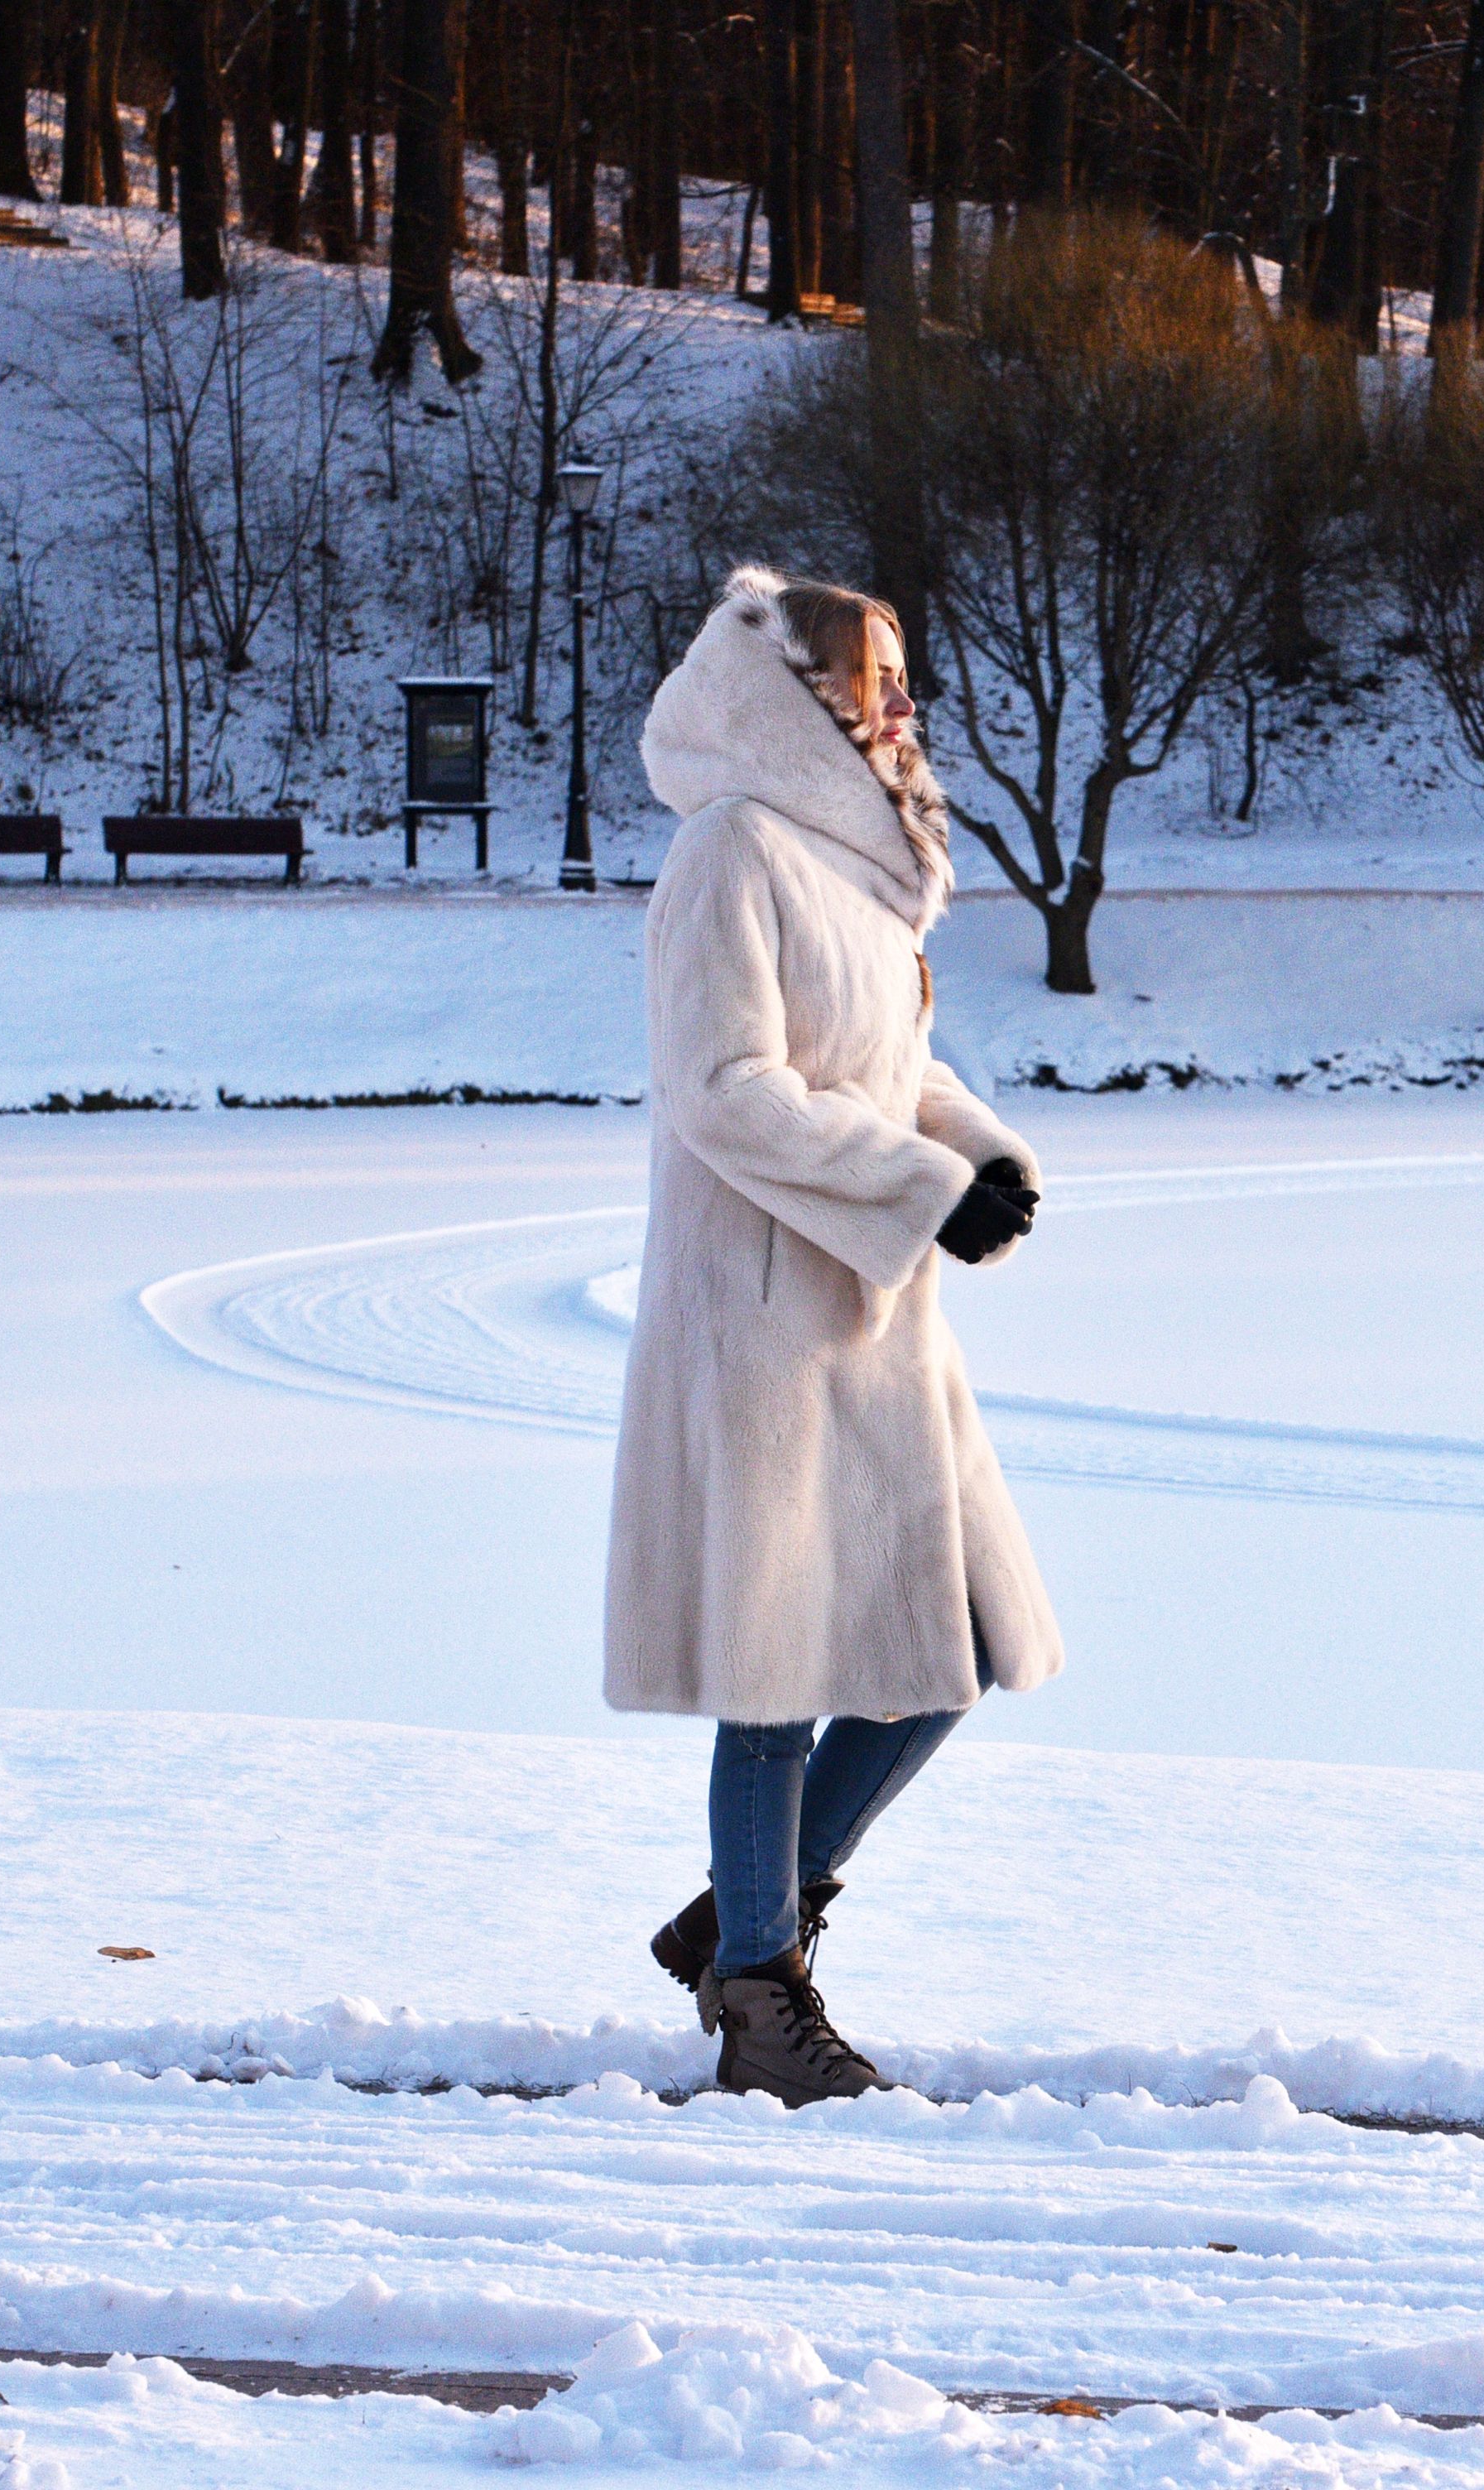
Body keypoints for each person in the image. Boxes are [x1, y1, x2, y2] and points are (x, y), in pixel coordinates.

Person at [608, 565, 1067, 2108]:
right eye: (868, 676)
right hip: (763, 1318)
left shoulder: (857, 871)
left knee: (951, 1654)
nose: (895, 702)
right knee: (777, 1670)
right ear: (797, 692)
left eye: (894, 674)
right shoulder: (732, 847)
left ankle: (744, 1917)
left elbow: (885, 1071)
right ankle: (757, 1993)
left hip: (871, 1307)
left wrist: (972, 1159)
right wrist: (914, 1187)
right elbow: (725, 1085)